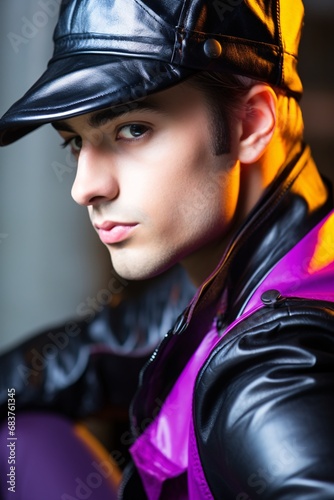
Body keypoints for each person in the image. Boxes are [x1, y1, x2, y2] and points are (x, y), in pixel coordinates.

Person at [0, 0, 334, 498]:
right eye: (75, 141)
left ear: (251, 124)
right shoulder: (243, 263)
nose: (84, 187)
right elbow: (86, 354)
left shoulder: (275, 374)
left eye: (132, 129)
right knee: (16, 434)